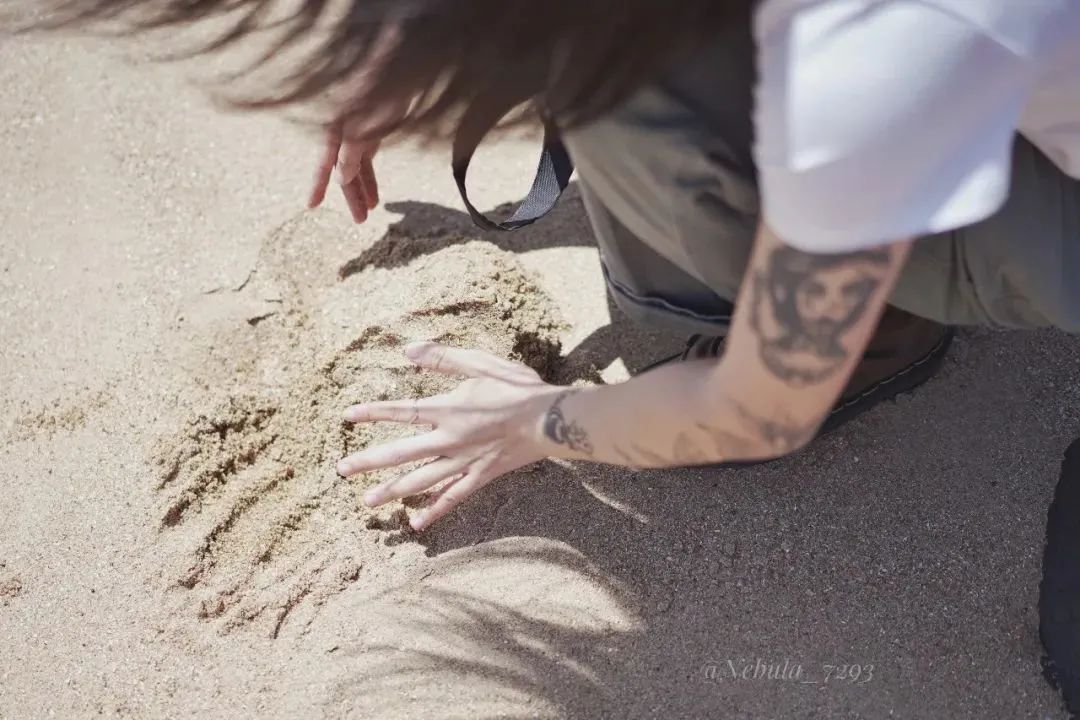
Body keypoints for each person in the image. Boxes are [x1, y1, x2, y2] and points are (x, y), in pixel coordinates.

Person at [40, 1, 1080, 536]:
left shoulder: (865, 69)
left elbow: (759, 409)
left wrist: (539, 422)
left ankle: (877, 344)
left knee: (638, 111)